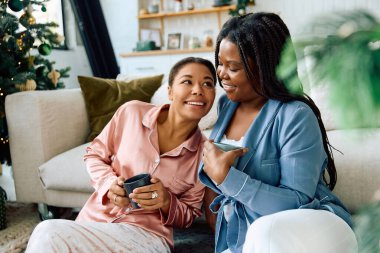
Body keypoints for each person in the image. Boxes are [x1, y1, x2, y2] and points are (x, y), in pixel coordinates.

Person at [199, 12, 358, 253]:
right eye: (220, 63)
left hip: (313, 227)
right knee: (259, 235)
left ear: (265, 67)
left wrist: (228, 179)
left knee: (265, 232)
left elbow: (297, 202)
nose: (221, 74)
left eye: (234, 67)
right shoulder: (226, 106)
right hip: (252, 239)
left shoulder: (295, 115)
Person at [26, 57, 216, 253]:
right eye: (187, 81)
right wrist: (109, 185)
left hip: (146, 238)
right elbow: (94, 154)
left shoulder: (205, 153)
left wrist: (167, 201)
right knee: (47, 232)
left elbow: (189, 215)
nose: (197, 90)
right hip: (94, 224)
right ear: (169, 91)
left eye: (207, 83)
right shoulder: (131, 112)